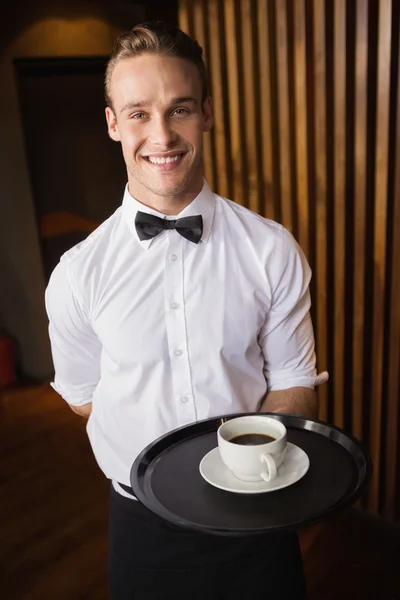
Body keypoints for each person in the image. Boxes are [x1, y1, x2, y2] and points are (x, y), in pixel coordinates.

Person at [45, 20, 328, 600]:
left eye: (179, 109)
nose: (162, 135)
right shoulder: (76, 274)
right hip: (142, 529)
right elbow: (83, 397)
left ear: (207, 113)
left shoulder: (272, 249)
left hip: (258, 520)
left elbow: (295, 381)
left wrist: (248, 463)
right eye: (139, 113)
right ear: (113, 124)